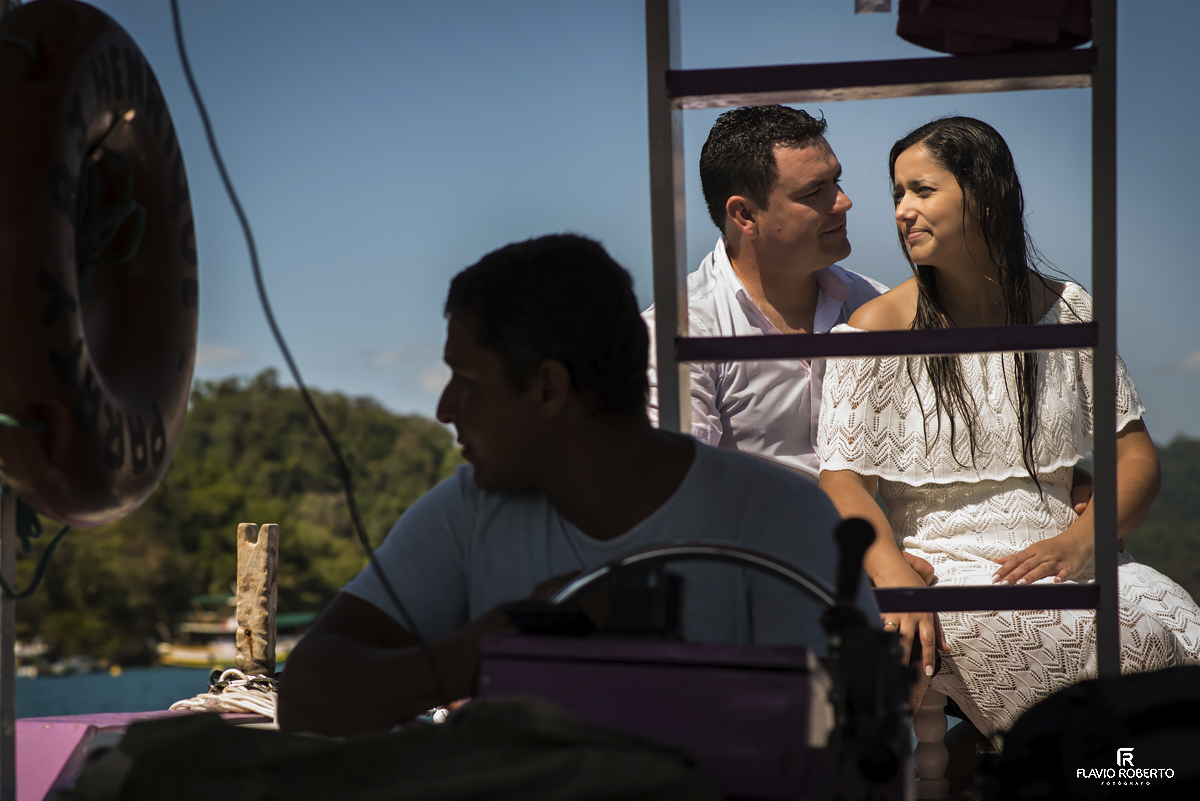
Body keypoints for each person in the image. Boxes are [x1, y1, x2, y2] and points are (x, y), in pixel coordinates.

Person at [278, 234, 877, 736]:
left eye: (465, 380)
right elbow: (306, 692)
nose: (443, 408)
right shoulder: (470, 510)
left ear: (547, 388)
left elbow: (851, 733)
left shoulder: (779, 520)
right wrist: (487, 651)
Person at [816, 116, 1200, 747]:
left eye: (922, 190)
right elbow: (843, 481)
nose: (902, 211)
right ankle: (1086, 777)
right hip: (950, 568)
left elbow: (1135, 458)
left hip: (1075, 553)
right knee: (1103, 650)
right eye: (897, 196)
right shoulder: (875, 330)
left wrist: (1084, 540)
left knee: (1174, 622)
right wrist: (892, 578)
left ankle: (1121, 776)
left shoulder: (1068, 309)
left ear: (986, 195)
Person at [644, 105, 887, 481]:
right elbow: (675, 487)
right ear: (744, 216)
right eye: (814, 191)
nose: (842, 202)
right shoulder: (680, 330)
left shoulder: (875, 305)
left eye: (836, 181)